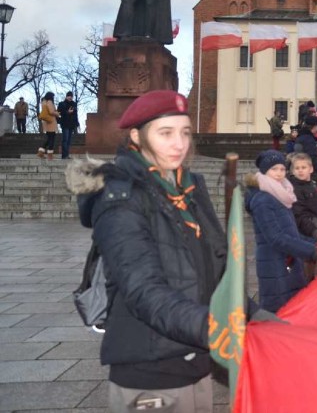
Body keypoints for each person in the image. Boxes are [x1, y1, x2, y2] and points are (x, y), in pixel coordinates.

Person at [66, 90, 240, 411]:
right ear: (136, 136)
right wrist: (215, 328)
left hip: (197, 364)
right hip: (151, 373)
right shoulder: (120, 198)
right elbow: (143, 290)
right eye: (166, 133)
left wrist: (261, 319)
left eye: (185, 133)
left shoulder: (188, 189)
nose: (179, 144)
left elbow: (218, 277)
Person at [245, 149, 317, 313]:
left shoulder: (281, 195)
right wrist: (311, 251)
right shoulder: (262, 199)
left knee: (290, 311)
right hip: (274, 263)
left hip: (288, 261)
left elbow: (291, 233)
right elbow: (276, 237)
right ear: (265, 171)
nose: (279, 173)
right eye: (274, 169)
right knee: (276, 311)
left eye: (282, 169)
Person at [289, 153, 317, 242]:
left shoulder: (312, 185)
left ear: (311, 169)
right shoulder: (294, 189)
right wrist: (315, 232)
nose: (300, 170)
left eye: (303, 167)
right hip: (306, 233)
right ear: (293, 171)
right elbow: (299, 215)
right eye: (297, 168)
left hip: (316, 227)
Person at [57, 91, 80, 159]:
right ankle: (64, 155)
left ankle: (67, 154)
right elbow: (59, 113)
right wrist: (67, 112)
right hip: (65, 123)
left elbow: (75, 114)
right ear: (66, 96)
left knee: (69, 141)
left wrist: (77, 123)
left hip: (71, 124)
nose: (70, 97)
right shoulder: (61, 104)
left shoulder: (74, 104)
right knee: (65, 139)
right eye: (69, 96)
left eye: (71, 96)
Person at [37, 92, 59, 160]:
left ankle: (41, 152)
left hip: (47, 122)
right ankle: (50, 155)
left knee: (49, 138)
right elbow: (51, 112)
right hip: (51, 122)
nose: (53, 98)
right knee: (52, 139)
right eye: (53, 96)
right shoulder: (49, 102)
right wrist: (57, 113)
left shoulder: (44, 102)